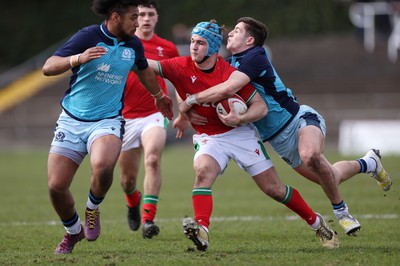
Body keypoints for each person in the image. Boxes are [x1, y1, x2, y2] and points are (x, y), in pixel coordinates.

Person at [179, 16, 392, 236]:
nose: (231, 33)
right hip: (278, 141)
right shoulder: (230, 64)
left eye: (237, 30)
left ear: (250, 40)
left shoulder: (255, 56)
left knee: (310, 155)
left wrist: (191, 101)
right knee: (331, 176)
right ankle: (369, 163)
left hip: (299, 121)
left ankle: (342, 213)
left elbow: (227, 88)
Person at [149, 19, 339, 251]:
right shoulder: (180, 64)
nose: (193, 47)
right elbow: (153, 67)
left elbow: (260, 107)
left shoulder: (230, 74)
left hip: (240, 134)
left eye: (199, 43)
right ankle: (202, 231)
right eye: (191, 42)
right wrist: (122, 55)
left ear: (212, 47)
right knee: (203, 172)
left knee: (274, 190)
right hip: (210, 137)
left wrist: (239, 118)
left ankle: (317, 223)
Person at [42, 0, 173, 254]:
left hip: (108, 120)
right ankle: (73, 232)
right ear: (115, 17)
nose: (137, 22)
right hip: (71, 120)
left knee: (102, 168)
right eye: (133, 17)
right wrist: (77, 58)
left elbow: (144, 70)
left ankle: (92, 209)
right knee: (56, 187)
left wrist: (158, 95)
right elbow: (48, 66)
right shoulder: (88, 36)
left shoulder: (133, 44)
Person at [118, 0, 179, 239]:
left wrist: (183, 111)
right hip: (124, 118)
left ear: (156, 18)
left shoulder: (167, 48)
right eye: (140, 14)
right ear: (134, 17)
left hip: (154, 114)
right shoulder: (122, 44)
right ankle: (133, 201)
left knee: (152, 159)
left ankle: (148, 219)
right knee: (126, 179)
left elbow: (179, 80)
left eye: (150, 14)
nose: (145, 19)